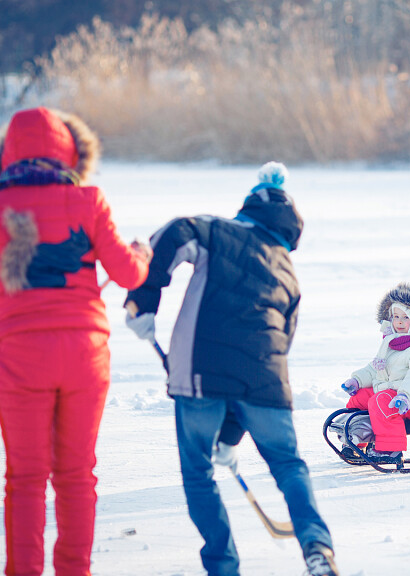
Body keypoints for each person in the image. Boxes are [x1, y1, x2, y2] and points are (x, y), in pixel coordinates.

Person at [123, 162, 338, 576]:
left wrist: (143, 299)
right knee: (289, 464)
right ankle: (318, 546)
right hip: (267, 387)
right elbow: (278, 347)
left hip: (200, 376)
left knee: (199, 472)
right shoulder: (289, 275)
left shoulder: (218, 231)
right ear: (289, 232)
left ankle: (223, 567)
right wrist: (232, 434)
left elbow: (173, 231)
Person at [0, 107, 151, 575]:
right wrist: (141, 253)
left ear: (6, 158)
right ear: (71, 152)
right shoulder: (88, 201)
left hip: (20, 359)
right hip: (84, 358)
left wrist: (6, 359)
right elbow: (127, 273)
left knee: (24, 480)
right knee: (76, 476)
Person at [339, 282, 410, 465]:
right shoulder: (392, 342)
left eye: (406, 317)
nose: (400, 322)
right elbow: (375, 368)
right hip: (389, 391)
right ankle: (358, 440)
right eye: (396, 316)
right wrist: (357, 380)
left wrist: (405, 395)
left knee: (380, 402)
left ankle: (389, 449)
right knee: (360, 398)